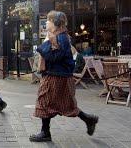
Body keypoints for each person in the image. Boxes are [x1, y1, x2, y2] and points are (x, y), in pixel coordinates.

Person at [30, 11, 98, 142]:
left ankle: (45, 133)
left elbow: (55, 57)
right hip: (59, 76)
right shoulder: (56, 36)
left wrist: (42, 49)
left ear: (55, 23)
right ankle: (89, 119)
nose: (46, 23)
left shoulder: (61, 38)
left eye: (48, 21)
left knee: (44, 101)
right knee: (66, 105)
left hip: (56, 77)